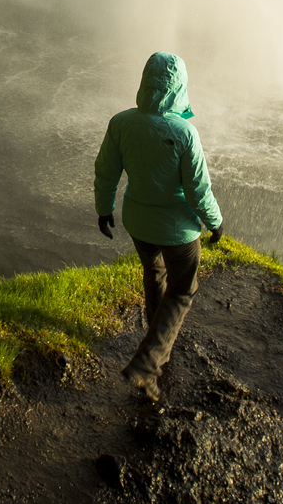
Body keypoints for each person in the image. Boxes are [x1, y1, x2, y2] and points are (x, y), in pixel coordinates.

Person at [93, 51, 223, 402]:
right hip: (178, 232)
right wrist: (216, 222)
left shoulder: (121, 123)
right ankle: (147, 363)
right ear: (179, 87)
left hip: (139, 223)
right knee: (182, 290)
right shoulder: (185, 133)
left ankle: (156, 340)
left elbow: (106, 170)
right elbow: (198, 189)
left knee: (154, 275)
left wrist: (105, 209)